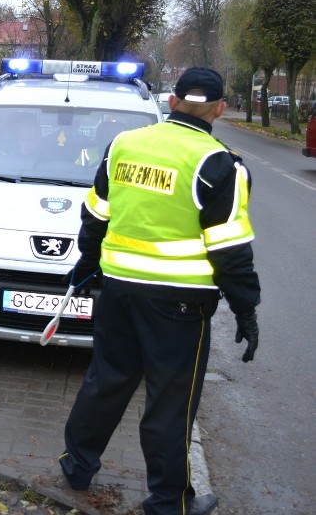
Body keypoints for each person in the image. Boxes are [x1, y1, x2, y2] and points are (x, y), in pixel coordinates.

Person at [58, 67, 261, 515]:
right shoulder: (219, 164)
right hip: (179, 304)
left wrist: (87, 267)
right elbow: (230, 250)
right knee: (170, 402)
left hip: (118, 291)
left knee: (106, 380)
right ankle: (169, 502)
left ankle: (77, 464)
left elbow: (95, 216)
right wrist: (246, 310)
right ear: (220, 109)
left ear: (171, 104)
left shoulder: (124, 145)